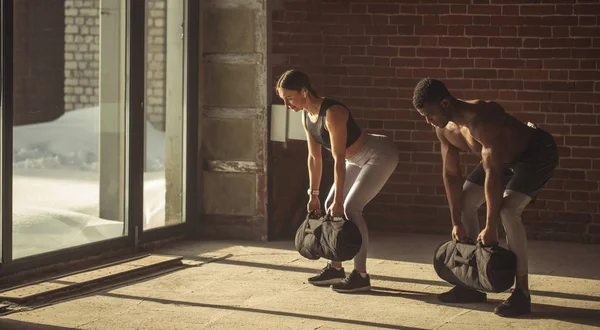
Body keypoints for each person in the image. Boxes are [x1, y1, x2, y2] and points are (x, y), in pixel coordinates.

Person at [412, 78, 558, 317]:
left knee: (508, 212)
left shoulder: (484, 117)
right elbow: (450, 174)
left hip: (534, 153)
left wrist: (491, 228)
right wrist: (456, 221)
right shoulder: (443, 128)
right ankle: (472, 285)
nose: (429, 121)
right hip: (500, 159)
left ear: (446, 102)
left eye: (430, 114)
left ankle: (522, 293)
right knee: (466, 203)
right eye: (424, 116)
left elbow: (493, 173)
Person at [276, 69, 399, 293]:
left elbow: (338, 160)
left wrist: (340, 201)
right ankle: (336, 268)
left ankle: (361, 275)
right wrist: (313, 195)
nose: (287, 105)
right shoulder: (306, 116)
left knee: (350, 208)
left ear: (304, 91)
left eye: (289, 98)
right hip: (355, 159)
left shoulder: (333, 112)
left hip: (379, 154)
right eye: (283, 100)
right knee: (328, 203)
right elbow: (314, 157)